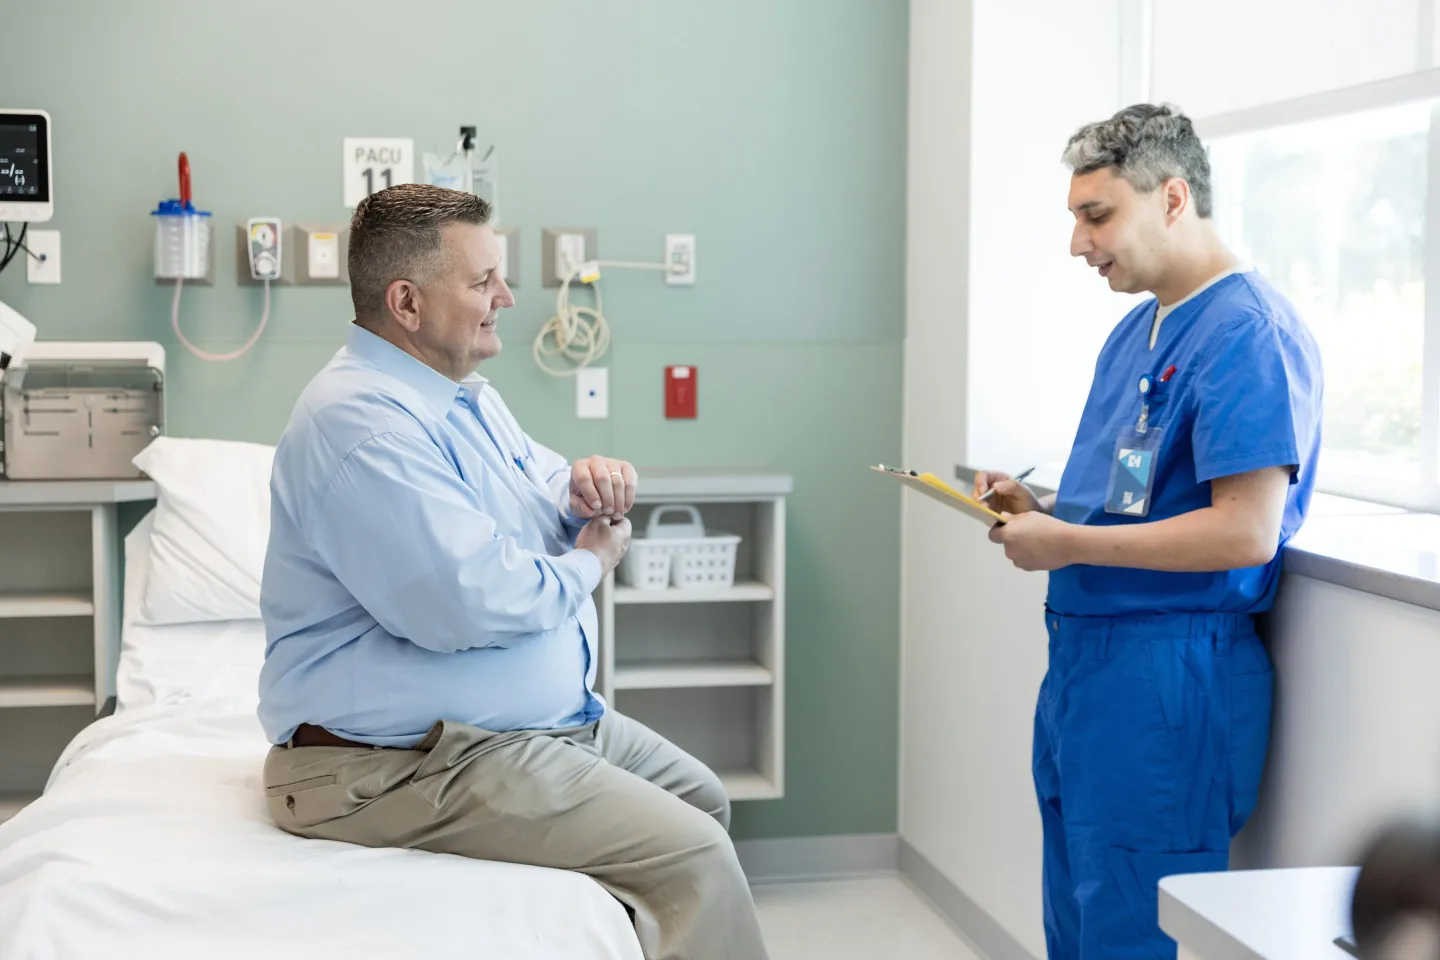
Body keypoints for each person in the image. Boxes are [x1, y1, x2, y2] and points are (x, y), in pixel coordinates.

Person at [257, 183, 769, 960]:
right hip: (393, 766)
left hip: (511, 733)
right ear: (407, 302)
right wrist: (589, 561)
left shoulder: (461, 399)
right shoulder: (357, 424)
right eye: (482, 281)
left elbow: (536, 490)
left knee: (700, 798)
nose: (507, 295)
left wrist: (578, 493)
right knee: (694, 856)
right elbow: (467, 601)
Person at [974, 104, 1323, 959]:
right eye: (1075, 219)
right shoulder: (1140, 331)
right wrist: (1042, 516)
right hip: (1088, 669)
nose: (1078, 244)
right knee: (1081, 914)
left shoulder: (1248, 334)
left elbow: (1246, 533)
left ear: (1172, 198)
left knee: (1131, 930)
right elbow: (1135, 500)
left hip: (1169, 675)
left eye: (1097, 216)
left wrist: (1072, 545)